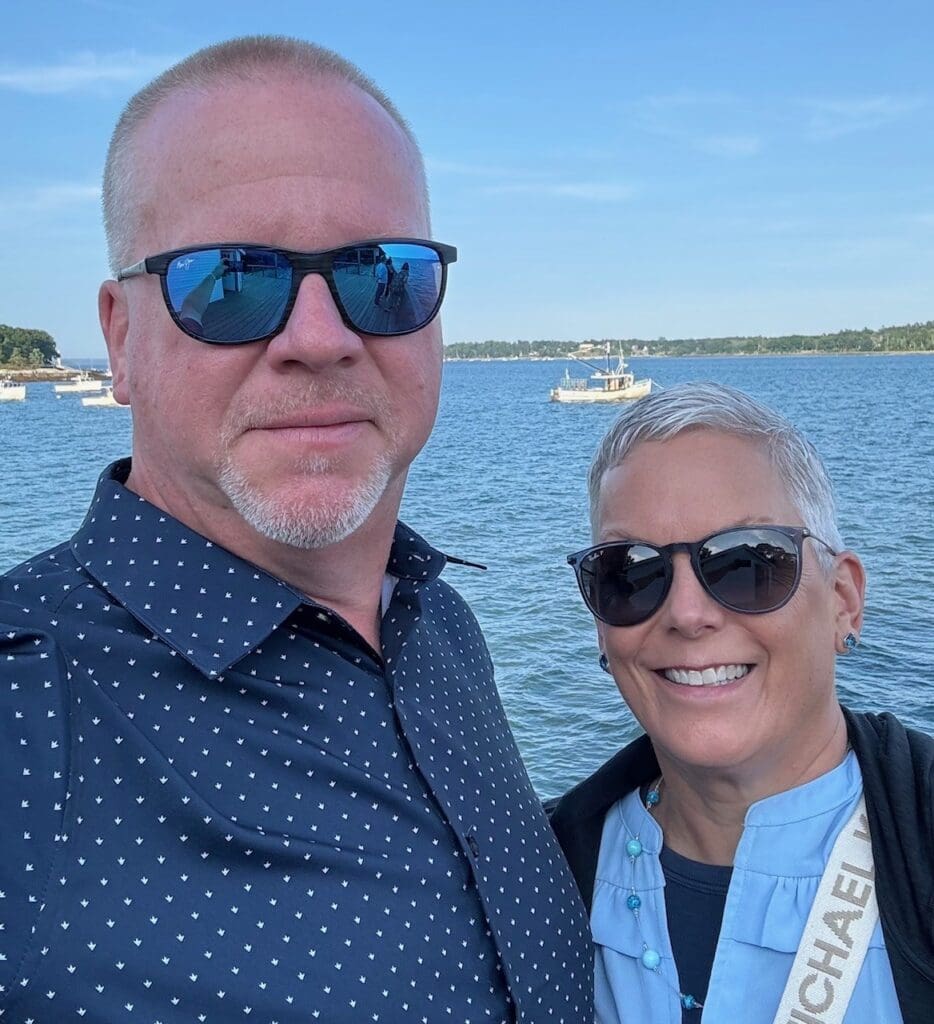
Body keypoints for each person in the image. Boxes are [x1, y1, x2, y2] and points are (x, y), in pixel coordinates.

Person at [0, 36, 592, 1023]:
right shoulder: (24, 712)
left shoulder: (439, 623)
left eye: (383, 276)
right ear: (120, 338)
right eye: (231, 280)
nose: (320, 338)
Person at [549, 382, 933, 1024]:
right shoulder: (536, 874)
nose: (686, 613)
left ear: (842, 601)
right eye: (629, 573)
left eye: (747, 562)